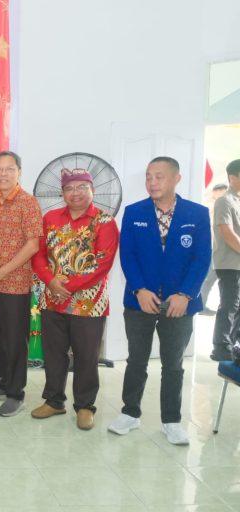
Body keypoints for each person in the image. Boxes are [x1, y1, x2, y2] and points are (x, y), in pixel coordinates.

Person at [108, 156, 210, 445]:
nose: (152, 182)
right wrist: (139, 290)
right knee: (136, 359)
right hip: (141, 301)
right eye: (148, 176)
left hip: (180, 303)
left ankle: (171, 420)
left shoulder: (197, 214)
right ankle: (130, 412)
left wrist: (185, 294)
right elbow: (128, 255)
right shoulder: (134, 212)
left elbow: (202, 258)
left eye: (159, 176)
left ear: (176, 178)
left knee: (173, 364)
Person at [30, 168, 119, 430]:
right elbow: (39, 254)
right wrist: (51, 282)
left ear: (93, 190)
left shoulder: (105, 221)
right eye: (69, 188)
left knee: (86, 357)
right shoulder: (50, 218)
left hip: (89, 304)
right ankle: (54, 401)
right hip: (52, 300)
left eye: (81, 187)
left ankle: (85, 406)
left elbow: (103, 263)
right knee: (54, 355)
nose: (75, 193)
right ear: (62, 193)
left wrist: (67, 286)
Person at [0, 151, 42, 417]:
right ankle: (2, 384)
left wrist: (1, 272)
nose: (3, 174)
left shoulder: (28, 203)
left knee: (16, 341)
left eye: (9, 169)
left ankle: (16, 394)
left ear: (19, 172)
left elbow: (33, 245)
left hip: (15, 284)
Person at [211, 160, 240, 361]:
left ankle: (234, 344)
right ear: (232, 177)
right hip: (229, 263)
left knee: (237, 307)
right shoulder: (224, 201)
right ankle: (221, 347)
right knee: (229, 305)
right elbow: (227, 233)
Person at [199, 182, 228, 315]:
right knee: (208, 279)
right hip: (214, 249)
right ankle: (202, 305)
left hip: (227, 250)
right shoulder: (211, 207)